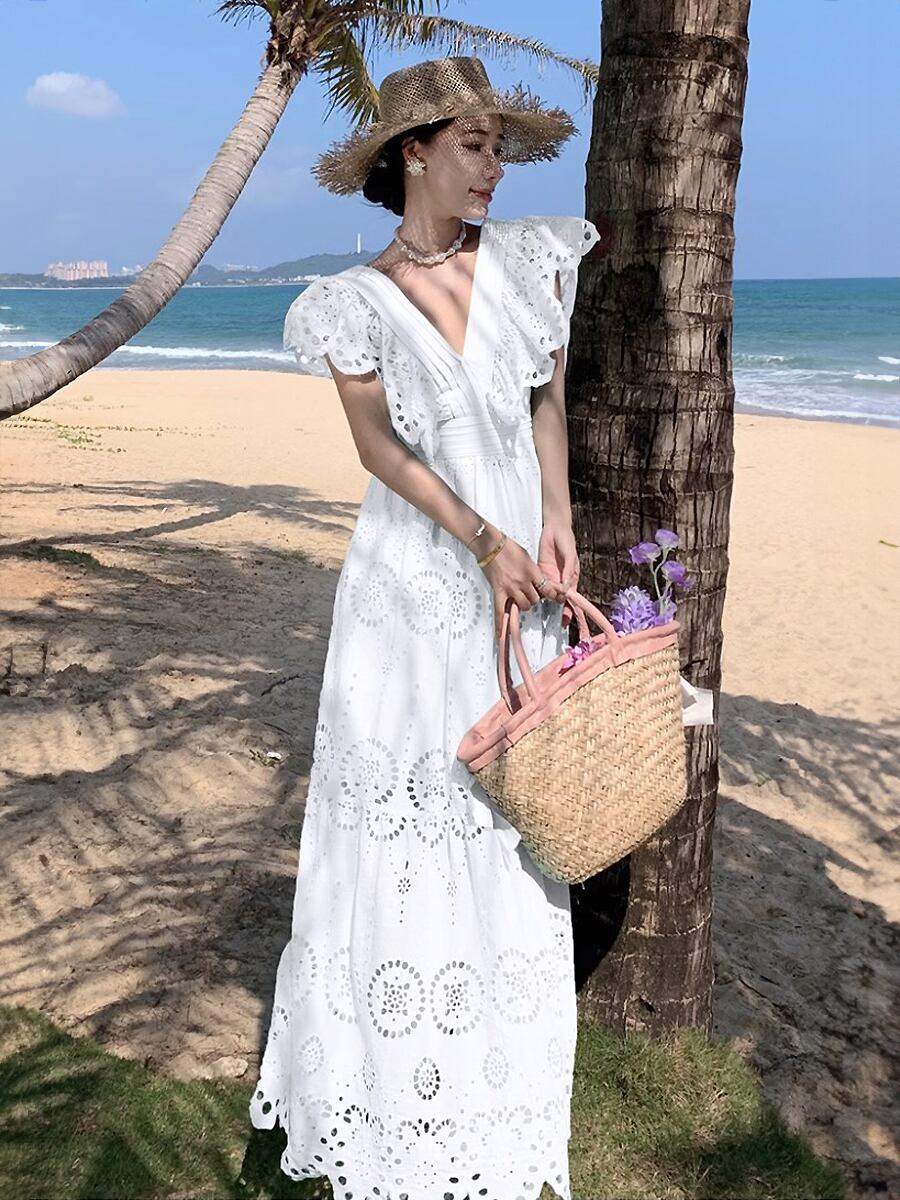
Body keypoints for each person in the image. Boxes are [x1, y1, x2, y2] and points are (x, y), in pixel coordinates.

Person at [248, 55, 601, 1200]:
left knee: (506, 814)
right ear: (414, 152)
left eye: (499, 148)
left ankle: (497, 1085)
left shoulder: (532, 264)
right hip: (410, 589)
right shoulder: (350, 305)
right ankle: (388, 1089)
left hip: (519, 583)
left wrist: (555, 519)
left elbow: (546, 400)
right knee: (406, 819)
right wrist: (484, 538)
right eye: (474, 146)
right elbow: (377, 450)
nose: (495, 169)